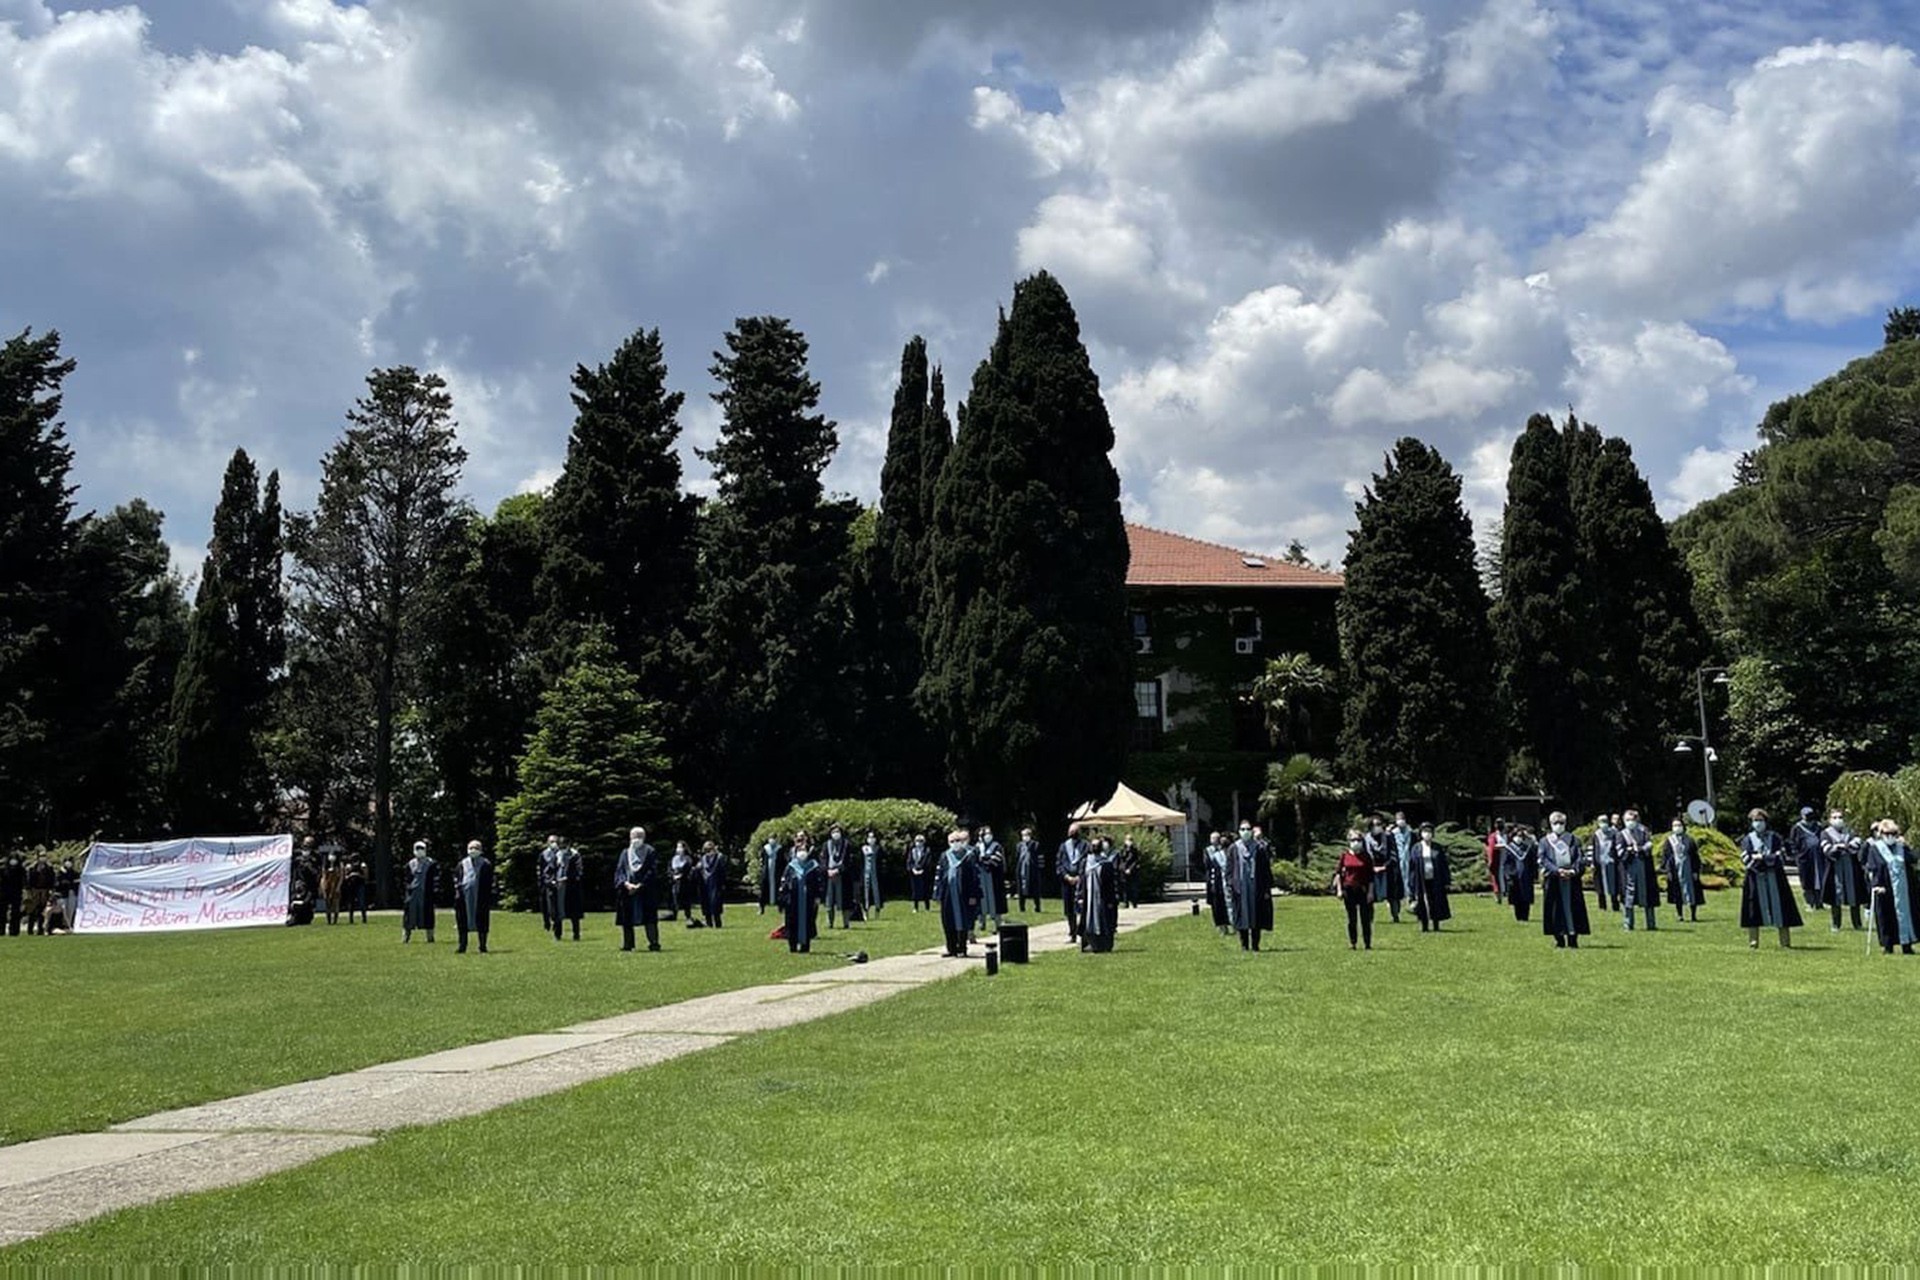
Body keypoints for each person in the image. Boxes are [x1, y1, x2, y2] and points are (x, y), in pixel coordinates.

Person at [1739, 809, 1802, 949]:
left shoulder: (1775, 838)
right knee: (1753, 909)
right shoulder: (1747, 839)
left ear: (1766, 821)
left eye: (1760, 820)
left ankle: (1785, 941)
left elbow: (1780, 856)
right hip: (1755, 877)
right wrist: (1760, 862)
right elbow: (1746, 858)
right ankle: (1753, 941)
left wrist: (1763, 858)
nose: (1758, 823)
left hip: (1775, 877)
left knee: (1782, 908)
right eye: (1755, 820)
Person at [1866, 820, 1918, 955]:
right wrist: (1877, 885)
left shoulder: (1902, 847)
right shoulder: (1875, 848)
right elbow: (1873, 869)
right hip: (1885, 888)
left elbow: (1912, 860)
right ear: (1881, 833)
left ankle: (1907, 944)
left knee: (1906, 916)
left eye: (1893, 833)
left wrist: (1906, 845)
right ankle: (1888, 946)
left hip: (1904, 889)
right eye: (1887, 833)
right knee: (1886, 916)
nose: (1890, 836)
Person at [1538, 813, 1590, 949]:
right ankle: (1559, 939)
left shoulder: (1573, 840)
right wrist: (1557, 870)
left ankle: (1573, 938)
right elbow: (1543, 859)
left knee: (1573, 908)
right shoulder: (1545, 841)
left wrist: (1572, 871)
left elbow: (1580, 858)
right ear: (1550, 824)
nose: (1558, 825)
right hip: (1554, 880)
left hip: (1571, 880)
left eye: (1561, 822)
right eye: (1555, 822)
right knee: (1555, 909)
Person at [1226, 820, 1273, 952]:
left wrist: (1266, 888)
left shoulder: (1259, 848)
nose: (1245, 832)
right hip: (1240, 888)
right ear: (1239, 831)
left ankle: (1255, 945)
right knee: (1242, 916)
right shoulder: (1233, 848)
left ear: (1252, 831)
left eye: (1247, 829)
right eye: (1242, 829)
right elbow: (1229, 869)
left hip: (1256, 887)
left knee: (1256, 916)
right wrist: (1230, 884)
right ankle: (1244, 945)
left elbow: (1265, 870)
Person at [1819, 810, 1868, 932]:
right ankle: (1836, 924)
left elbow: (1856, 845)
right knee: (1836, 897)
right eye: (1835, 817)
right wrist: (1838, 848)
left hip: (1851, 868)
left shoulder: (1851, 831)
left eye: (1840, 817)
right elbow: (1827, 849)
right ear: (1830, 820)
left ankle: (1857, 923)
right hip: (1834, 869)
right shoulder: (1825, 833)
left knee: (1854, 896)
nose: (1838, 819)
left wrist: (1843, 846)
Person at [616, 826, 661, 952]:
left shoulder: (650, 851)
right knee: (627, 918)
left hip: (645, 891)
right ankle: (628, 944)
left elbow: (652, 871)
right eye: (633, 836)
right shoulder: (625, 853)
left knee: (650, 918)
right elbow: (620, 871)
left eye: (638, 836)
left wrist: (640, 885)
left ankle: (654, 943)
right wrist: (625, 883)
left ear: (644, 838)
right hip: (627, 890)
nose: (635, 839)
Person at [781, 832, 825, 954]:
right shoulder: (791, 866)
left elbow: (818, 883)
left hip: (808, 900)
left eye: (804, 850)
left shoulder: (813, 866)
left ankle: (805, 946)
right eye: (799, 850)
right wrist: (784, 898)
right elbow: (784, 882)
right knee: (792, 921)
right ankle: (793, 945)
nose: (802, 852)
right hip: (793, 900)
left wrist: (817, 896)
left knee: (807, 921)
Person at [934, 830, 976, 957]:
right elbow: (939, 876)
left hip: (963, 894)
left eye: (957, 841)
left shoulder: (968, 856)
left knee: (962, 920)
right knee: (948, 921)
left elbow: (973, 877)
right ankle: (951, 948)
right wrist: (937, 894)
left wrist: (973, 895)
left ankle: (962, 948)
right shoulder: (944, 856)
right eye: (952, 841)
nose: (955, 843)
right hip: (948, 894)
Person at [1334, 829, 1375, 950]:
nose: (1356, 842)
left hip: (1363, 890)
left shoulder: (1366, 857)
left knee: (1365, 918)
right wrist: (1339, 890)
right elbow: (1338, 874)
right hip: (1349, 890)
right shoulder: (1344, 856)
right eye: (1353, 840)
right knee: (1352, 918)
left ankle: (1367, 943)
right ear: (1349, 841)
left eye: (1358, 840)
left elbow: (1371, 876)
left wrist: (1371, 892)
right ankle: (1353, 942)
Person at [1618, 809, 1658, 932]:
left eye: (1632, 819)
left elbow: (1649, 844)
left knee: (1648, 895)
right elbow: (1619, 851)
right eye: (1627, 820)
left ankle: (1651, 924)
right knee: (1628, 897)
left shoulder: (1643, 831)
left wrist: (1640, 849)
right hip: (1628, 869)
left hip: (1644, 867)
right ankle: (1628, 925)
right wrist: (1628, 851)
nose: (1630, 822)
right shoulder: (1621, 834)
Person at [1408, 823, 1452, 933]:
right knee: (1422, 901)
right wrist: (1411, 882)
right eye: (1425, 831)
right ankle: (1424, 925)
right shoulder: (1416, 848)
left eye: (1429, 831)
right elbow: (1412, 866)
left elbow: (1443, 865)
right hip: (1421, 879)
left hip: (1435, 878)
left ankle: (1436, 923)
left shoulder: (1437, 847)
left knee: (1435, 901)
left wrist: (1446, 880)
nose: (1427, 834)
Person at [1079, 838, 1118, 952]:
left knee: (1104, 920)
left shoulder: (1106, 864)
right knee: (1087, 920)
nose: (1094, 848)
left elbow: (1111, 885)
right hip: (1088, 897)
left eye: (1097, 846)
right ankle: (1088, 944)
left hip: (1102, 898)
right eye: (1093, 845)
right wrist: (1080, 896)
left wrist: (1111, 901)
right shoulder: (1086, 862)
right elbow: (1082, 881)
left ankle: (1104, 945)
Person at [454, 840, 492, 954]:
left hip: (480, 897)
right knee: (462, 921)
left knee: (482, 921)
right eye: (470, 848)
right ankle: (462, 945)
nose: (472, 850)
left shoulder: (486, 864)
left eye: (475, 848)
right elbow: (457, 878)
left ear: (480, 850)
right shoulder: (462, 864)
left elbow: (489, 881)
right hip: (463, 898)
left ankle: (482, 946)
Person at [1662, 818, 1704, 922]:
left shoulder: (1689, 840)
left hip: (1688, 869)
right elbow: (1666, 857)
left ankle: (1693, 915)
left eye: (1679, 825)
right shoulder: (1669, 840)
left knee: (1692, 892)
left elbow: (1695, 856)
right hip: (1675, 870)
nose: (1677, 827)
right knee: (1677, 893)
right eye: (1674, 825)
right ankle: (1680, 915)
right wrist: (1668, 871)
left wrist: (1696, 871)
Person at [1366, 818, 1403, 924]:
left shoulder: (1388, 837)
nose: (1377, 827)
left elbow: (1394, 854)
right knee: (1370, 896)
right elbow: (1365, 855)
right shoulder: (1366, 839)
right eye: (1375, 825)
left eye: (1379, 824)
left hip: (1388, 869)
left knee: (1392, 895)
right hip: (1372, 870)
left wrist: (1385, 866)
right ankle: (1370, 918)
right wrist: (1372, 867)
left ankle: (1395, 916)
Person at [1056, 825, 1089, 942]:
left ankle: (1083, 932)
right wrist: (1066, 876)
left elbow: (1087, 862)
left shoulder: (1085, 846)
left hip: (1081, 881)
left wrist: (1080, 877)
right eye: (1071, 831)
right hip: (1067, 882)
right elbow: (1059, 864)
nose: (1073, 832)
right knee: (1069, 909)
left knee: (1082, 907)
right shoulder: (1064, 846)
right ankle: (1072, 933)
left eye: (1075, 831)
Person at [1790, 806, 1825, 912]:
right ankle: (1810, 903)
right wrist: (1798, 855)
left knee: (1819, 879)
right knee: (1807, 880)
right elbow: (1793, 843)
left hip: (1818, 857)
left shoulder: (1818, 826)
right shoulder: (1797, 828)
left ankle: (1819, 903)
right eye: (1807, 815)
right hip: (1805, 858)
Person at [974, 825, 1006, 936]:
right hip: (981, 878)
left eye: (989, 833)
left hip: (994, 879)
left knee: (995, 903)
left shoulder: (996, 846)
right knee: (981, 901)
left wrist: (986, 860)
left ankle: (997, 924)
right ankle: (981, 923)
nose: (988, 836)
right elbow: (975, 860)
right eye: (985, 834)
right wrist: (985, 859)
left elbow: (997, 860)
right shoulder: (978, 847)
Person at [1503, 826, 1538, 923]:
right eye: (1518, 835)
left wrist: (1534, 875)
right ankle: (1518, 916)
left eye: (1522, 836)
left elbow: (1533, 862)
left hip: (1526, 877)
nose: (1520, 838)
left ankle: (1525, 916)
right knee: (1516, 897)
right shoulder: (1509, 848)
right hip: (1515, 878)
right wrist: (1509, 875)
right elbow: (1506, 864)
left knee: (1525, 897)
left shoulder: (1527, 848)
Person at [402, 841, 436, 943]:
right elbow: (406, 879)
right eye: (417, 848)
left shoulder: (431, 863)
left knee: (428, 915)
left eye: (421, 848)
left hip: (426, 894)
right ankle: (406, 937)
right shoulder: (410, 864)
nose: (419, 851)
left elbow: (435, 880)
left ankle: (430, 937)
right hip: (412, 895)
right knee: (409, 916)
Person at [551, 837, 584, 941]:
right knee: (558, 911)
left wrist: (568, 878)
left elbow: (579, 872)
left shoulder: (575, 855)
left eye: (565, 845)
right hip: (558, 886)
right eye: (561, 846)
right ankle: (557, 934)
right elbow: (552, 869)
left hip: (571, 887)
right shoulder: (556, 855)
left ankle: (576, 934)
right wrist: (553, 880)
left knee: (573, 912)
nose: (563, 848)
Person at [823, 824, 852, 929]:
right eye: (833, 832)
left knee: (844, 900)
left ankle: (846, 923)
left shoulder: (846, 845)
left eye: (837, 832)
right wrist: (827, 870)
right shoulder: (827, 845)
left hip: (842, 875)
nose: (836, 834)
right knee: (829, 900)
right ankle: (830, 923)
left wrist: (838, 870)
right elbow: (823, 859)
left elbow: (848, 861)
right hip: (829, 875)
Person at [1590, 815, 1619, 913]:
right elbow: (1594, 849)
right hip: (1599, 863)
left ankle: (1615, 905)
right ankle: (1602, 906)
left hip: (1612, 863)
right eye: (1601, 822)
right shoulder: (1596, 834)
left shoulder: (1614, 833)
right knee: (1600, 885)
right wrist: (1592, 863)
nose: (1603, 824)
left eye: (1605, 821)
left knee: (1613, 885)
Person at [1204, 832, 1231, 935]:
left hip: (1223, 880)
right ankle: (1220, 926)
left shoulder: (1224, 850)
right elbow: (1207, 865)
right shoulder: (1208, 851)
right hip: (1213, 880)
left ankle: (1229, 924)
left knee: (1226, 904)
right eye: (1212, 838)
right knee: (1215, 905)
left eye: (1216, 838)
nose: (1214, 840)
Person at [1013, 827, 1043, 913]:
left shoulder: (1035, 845)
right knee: (1021, 889)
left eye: (1026, 835)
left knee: (1035, 889)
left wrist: (1038, 869)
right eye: (1023, 835)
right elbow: (1017, 857)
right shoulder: (1019, 846)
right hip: (1022, 869)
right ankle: (1022, 907)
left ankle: (1037, 907)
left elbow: (1040, 859)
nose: (1024, 837)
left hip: (1033, 870)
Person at [22, 853, 53, 936]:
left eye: (44, 856)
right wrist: (29, 891)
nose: (43, 858)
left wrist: (50, 890)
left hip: (44, 891)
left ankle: (40, 929)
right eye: (41, 856)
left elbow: (52, 879)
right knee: (32, 911)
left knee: (42, 911)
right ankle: (30, 930)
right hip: (34, 891)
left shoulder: (49, 868)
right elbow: (28, 880)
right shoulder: (32, 868)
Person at [698, 841, 727, 929]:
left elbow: (722, 871)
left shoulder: (719, 858)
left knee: (715, 904)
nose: (708, 852)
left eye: (710, 849)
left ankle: (717, 923)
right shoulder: (703, 859)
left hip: (715, 883)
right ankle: (709, 922)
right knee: (706, 903)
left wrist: (722, 884)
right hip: (705, 884)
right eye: (707, 850)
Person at [537, 835, 563, 933]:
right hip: (545, 883)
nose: (554, 844)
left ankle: (557, 927)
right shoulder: (543, 854)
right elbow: (541, 869)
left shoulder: (560, 854)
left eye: (555, 841)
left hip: (557, 883)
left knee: (555, 907)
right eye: (551, 841)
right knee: (545, 906)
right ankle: (547, 923)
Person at [668, 840, 696, 923]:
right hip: (675, 882)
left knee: (685, 900)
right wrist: (673, 876)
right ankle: (674, 914)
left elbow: (688, 869)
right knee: (674, 899)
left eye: (680, 847)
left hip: (684, 883)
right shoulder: (673, 859)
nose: (678, 849)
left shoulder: (688, 859)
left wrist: (681, 875)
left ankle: (688, 915)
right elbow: (669, 869)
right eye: (677, 847)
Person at [759, 833, 787, 916]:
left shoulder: (780, 849)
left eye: (773, 838)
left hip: (777, 873)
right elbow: (762, 859)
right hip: (767, 872)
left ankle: (780, 908)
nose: (772, 840)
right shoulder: (765, 848)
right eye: (771, 838)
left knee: (779, 891)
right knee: (764, 890)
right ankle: (761, 908)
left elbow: (783, 862)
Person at [907, 834, 934, 911]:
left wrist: (923, 870)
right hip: (914, 873)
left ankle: (927, 907)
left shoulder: (927, 851)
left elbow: (928, 862)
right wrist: (912, 869)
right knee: (915, 890)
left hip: (924, 873)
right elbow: (909, 861)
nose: (919, 843)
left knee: (925, 890)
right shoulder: (912, 851)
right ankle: (915, 907)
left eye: (921, 841)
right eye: (917, 841)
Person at [860, 829, 883, 918]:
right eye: (869, 837)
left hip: (876, 874)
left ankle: (877, 910)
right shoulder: (863, 849)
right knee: (866, 892)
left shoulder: (878, 849)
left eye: (873, 837)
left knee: (876, 892)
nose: (871, 839)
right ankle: (866, 911)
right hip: (865, 873)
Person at [1, 850, 24, 936]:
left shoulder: (21, 869)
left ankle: (14, 931)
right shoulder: (3, 869)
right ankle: (1, 930)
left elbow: (23, 881)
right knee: (2, 912)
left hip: (16, 893)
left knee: (15, 913)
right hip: (4, 893)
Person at [342, 851, 369, 924]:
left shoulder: (362, 865)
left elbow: (366, 876)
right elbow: (345, 876)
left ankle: (364, 919)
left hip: (360, 884)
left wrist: (358, 875)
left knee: (362, 902)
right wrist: (351, 875)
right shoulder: (348, 866)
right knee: (351, 902)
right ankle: (351, 919)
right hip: (351, 885)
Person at [1487, 821, 1508, 905]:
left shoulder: (1506, 836)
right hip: (1497, 861)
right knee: (1497, 879)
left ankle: (1506, 895)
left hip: (1506, 860)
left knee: (1506, 879)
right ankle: (1498, 897)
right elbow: (1492, 848)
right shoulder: (1493, 836)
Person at [319, 851, 343, 925]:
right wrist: (322, 887)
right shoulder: (325, 866)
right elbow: (323, 877)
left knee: (335, 904)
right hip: (327, 886)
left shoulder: (339, 865)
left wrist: (338, 887)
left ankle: (335, 921)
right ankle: (328, 921)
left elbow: (341, 877)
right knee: (327, 903)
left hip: (335, 885)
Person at [1117, 835, 1141, 909]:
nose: (1129, 842)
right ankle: (1125, 902)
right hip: (1123, 871)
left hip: (1132, 871)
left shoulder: (1135, 850)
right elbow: (1121, 860)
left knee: (1133, 887)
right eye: (1127, 840)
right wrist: (1123, 869)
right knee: (1125, 888)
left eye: (1130, 840)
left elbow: (1136, 861)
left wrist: (1130, 869)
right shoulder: (1122, 849)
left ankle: (1134, 902)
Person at [55, 858, 78, 928]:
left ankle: (69, 925)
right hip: (63, 894)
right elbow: (57, 883)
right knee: (63, 910)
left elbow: (76, 882)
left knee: (70, 910)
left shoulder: (75, 873)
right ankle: (63, 924)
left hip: (72, 893)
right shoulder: (60, 873)